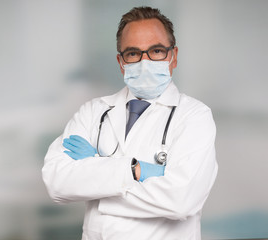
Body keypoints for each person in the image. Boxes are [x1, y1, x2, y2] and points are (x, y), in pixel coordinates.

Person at [42, 6, 218, 240]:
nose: (144, 62)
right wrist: (137, 170)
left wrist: (97, 171)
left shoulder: (195, 116)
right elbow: (57, 182)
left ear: (173, 56)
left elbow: (181, 201)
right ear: (121, 61)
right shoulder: (93, 111)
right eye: (133, 53)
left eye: (156, 51)